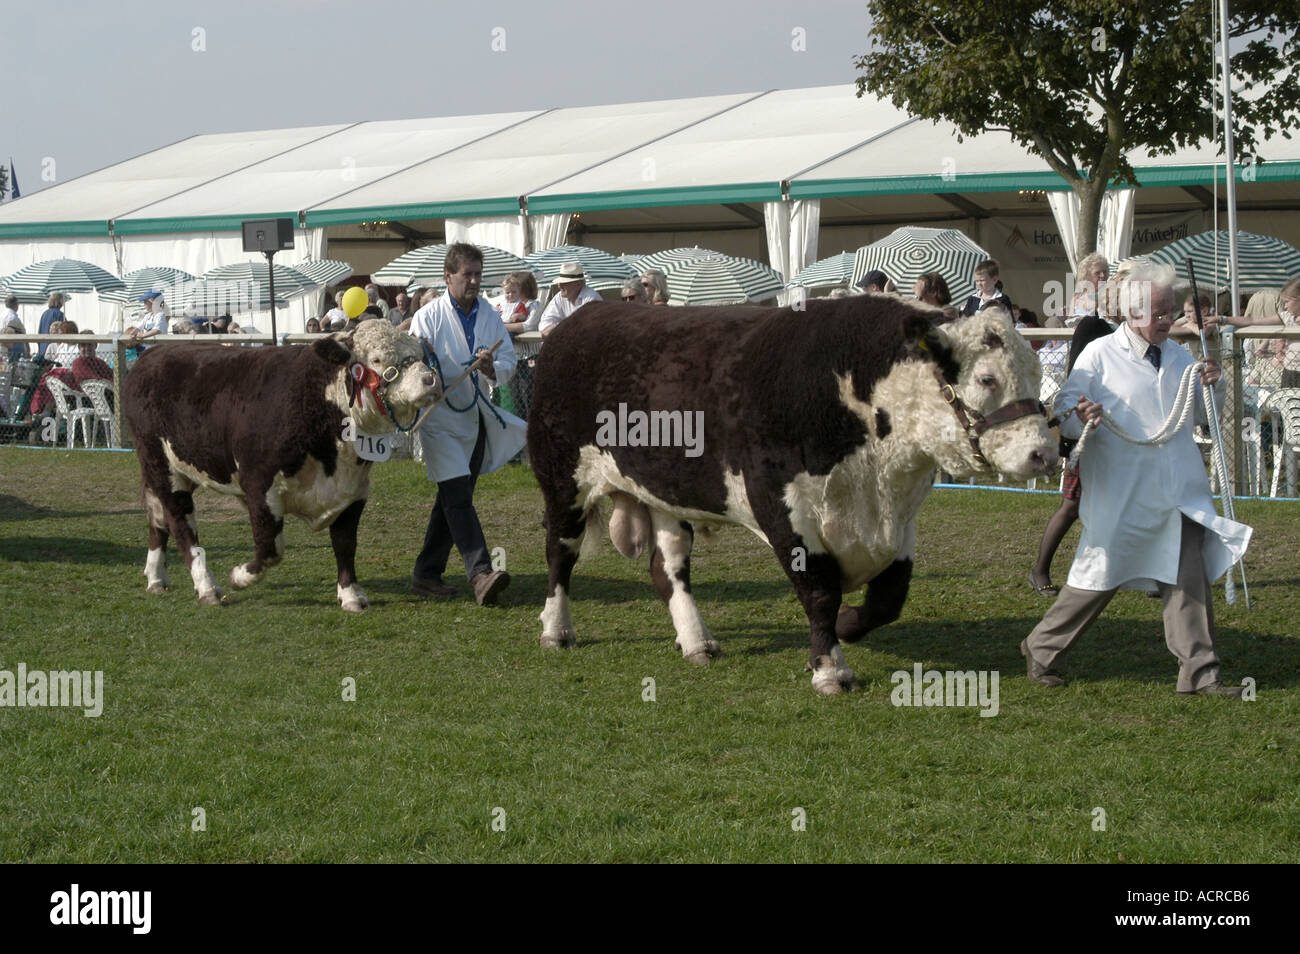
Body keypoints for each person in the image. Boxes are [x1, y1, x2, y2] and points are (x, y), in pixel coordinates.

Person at [1022, 262, 1251, 696]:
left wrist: (1214, 386)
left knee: (1188, 578)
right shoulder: (1099, 354)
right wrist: (1082, 414)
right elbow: (1066, 412)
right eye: (1159, 313)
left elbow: (1202, 416)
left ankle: (1201, 675)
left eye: (1171, 312)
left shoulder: (1181, 355)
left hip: (1178, 493)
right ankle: (1041, 648)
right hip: (1122, 492)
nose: (1168, 321)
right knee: (1098, 579)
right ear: (1131, 312)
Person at [409, 242, 526, 605]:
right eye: (467, 275)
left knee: (453, 499)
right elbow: (414, 364)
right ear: (448, 277)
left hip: (474, 418)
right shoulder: (427, 316)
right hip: (439, 420)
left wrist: (492, 367)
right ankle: (480, 573)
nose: (474, 281)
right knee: (457, 497)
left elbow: (507, 360)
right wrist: (429, 370)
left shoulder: (489, 315)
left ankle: (426, 572)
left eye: (478, 274)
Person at [539, 262, 602, 336]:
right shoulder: (559, 297)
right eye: (559, 282)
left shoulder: (592, 298)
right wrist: (554, 328)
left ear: (578, 284)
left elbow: (585, 327)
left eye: (564, 283)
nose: (559, 286)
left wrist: (557, 327)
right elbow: (544, 322)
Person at [37, 293, 66, 357]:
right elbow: (65, 331)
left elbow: (39, 331)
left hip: (42, 347)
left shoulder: (44, 314)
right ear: (59, 301)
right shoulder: (59, 314)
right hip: (53, 349)